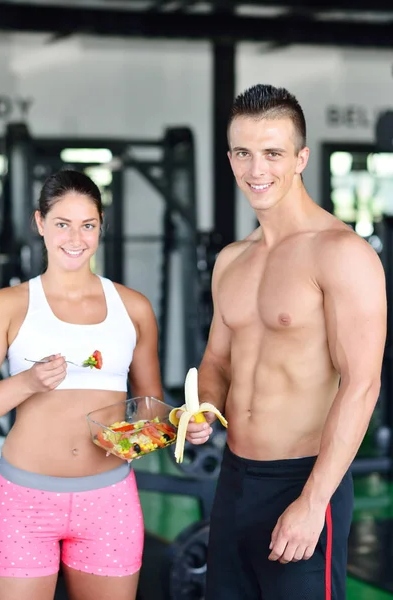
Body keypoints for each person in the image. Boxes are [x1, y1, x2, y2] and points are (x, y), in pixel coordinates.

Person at [185, 84, 387, 600]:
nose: (257, 170)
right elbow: (216, 362)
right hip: (234, 480)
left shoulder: (341, 253)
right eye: (244, 153)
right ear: (229, 158)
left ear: (300, 158)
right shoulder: (232, 260)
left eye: (273, 153)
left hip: (303, 480)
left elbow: (362, 385)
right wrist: (204, 409)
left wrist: (313, 501)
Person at [0, 170, 163, 600]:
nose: (75, 238)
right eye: (62, 224)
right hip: (23, 501)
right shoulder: (9, 305)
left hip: (109, 499)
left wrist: (174, 427)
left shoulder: (133, 308)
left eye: (88, 225)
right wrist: (26, 382)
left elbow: (150, 409)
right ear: (39, 223)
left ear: (101, 226)